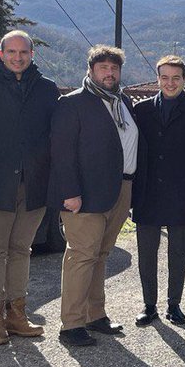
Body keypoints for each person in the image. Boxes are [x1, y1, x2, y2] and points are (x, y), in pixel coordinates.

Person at [0, 30, 59, 347]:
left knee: (22, 250)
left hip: (34, 185)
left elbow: (55, 138)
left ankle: (17, 315)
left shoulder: (47, 91)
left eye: (24, 52)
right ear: (1, 53)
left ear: (32, 55)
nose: (18, 57)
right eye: (12, 52)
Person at [49, 45, 139, 348]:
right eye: (103, 68)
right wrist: (70, 193)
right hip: (84, 194)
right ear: (91, 70)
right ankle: (71, 324)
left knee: (100, 255)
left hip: (120, 189)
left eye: (114, 68)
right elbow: (61, 153)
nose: (109, 73)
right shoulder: (73, 103)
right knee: (81, 256)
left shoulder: (122, 101)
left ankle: (95, 314)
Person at [131, 55, 185, 327]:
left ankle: (174, 305)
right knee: (147, 253)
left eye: (175, 78)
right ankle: (149, 305)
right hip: (147, 193)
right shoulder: (141, 111)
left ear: (184, 80)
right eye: (165, 77)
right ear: (158, 79)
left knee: (179, 253)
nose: (170, 83)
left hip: (183, 193)